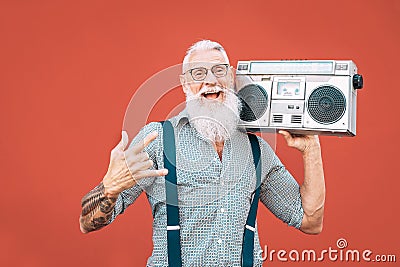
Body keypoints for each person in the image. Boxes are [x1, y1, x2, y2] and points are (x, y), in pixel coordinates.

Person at [79, 40, 325, 266]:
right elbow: (87, 223)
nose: (210, 81)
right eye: (198, 73)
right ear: (185, 83)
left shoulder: (256, 150)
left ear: (231, 78)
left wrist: (311, 149)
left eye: (219, 70)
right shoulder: (157, 140)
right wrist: (109, 188)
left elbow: (310, 221)